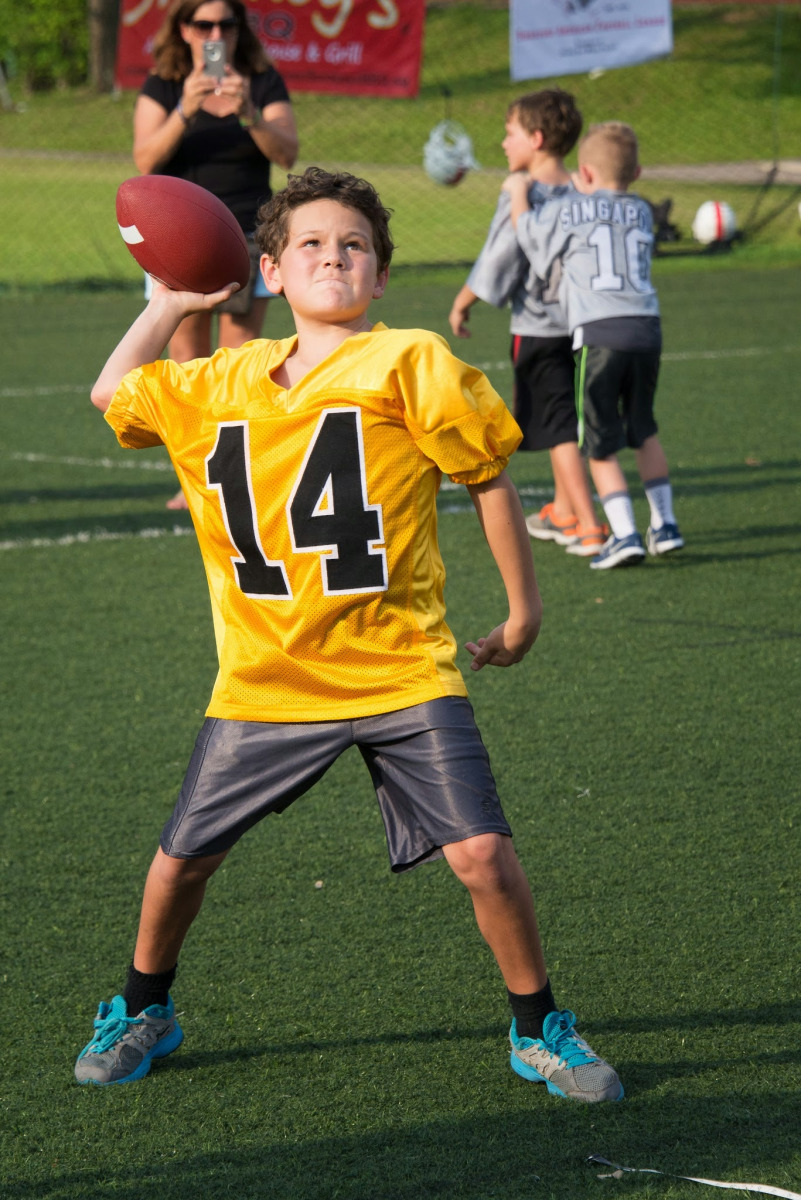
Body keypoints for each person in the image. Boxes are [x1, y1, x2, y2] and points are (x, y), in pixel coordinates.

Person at [74, 167, 623, 1105]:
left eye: (355, 245)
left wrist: (524, 609)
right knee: (181, 860)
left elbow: (487, 476)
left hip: (400, 667)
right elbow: (110, 393)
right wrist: (167, 302)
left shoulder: (410, 360)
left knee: (482, 855)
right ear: (272, 272)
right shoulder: (219, 378)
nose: (334, 257)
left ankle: (538, 1026)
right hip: (267, 675)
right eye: (312, 245)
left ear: (380, 274)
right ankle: (141, 1007)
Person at [134, 0, 299, 508]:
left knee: (239, 359)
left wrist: (249, 112)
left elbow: (287, 153)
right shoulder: (164, 85)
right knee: (187, 361)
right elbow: (145, 159)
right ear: (183, 29)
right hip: (177, 241)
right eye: (202, 24)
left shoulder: (261, 81)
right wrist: (186, 108)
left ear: (238, 29)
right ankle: (193, 477)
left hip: (247, 234)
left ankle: (229, 477)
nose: (214, 34)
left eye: (225, 24)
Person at [505, 122, 683, 569]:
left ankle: (624, 534)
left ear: (584, 173)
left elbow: (531, 238)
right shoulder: (642, 210)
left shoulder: (569, 208)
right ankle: (665, 525)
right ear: (636, 172)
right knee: (643, 428)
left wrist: (518, 193)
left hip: (599, 333)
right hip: (647, 330)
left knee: (599, 440)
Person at [449, 89, 606, 558]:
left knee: (558, 428)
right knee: (567, 417)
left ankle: (589, 525)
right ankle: (563, 510)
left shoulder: (524, 193)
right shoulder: (583, 189)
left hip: (539, 328)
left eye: (510, 133)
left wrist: (463, 302)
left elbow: (499, 256)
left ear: (535, 139)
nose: (503, 143)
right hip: (584, 324)